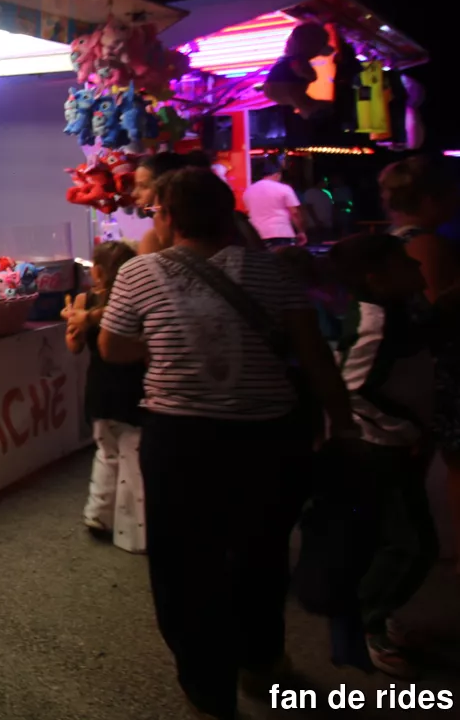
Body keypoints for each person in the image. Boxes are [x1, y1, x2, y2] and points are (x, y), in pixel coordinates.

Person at [98, 167, 358, 720]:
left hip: (180, 439)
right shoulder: (272, 267)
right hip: (268, 439)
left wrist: (167, 343)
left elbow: (113, 348)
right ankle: (260, 661)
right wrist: (344, 424)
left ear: (169, 217)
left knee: (183, 561)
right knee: (261, 552)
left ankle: (206, 684)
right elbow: (313, 354)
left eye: (156, 210)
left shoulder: (140, 272)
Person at [328, 232, 438, 676]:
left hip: (392, 445)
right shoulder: (375, 325)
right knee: (412, 545)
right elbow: (352, 388)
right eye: (404, 263)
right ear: (376, 277)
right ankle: (367, 623)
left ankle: (376, 614)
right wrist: (408, 425)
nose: (418, 267)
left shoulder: (397, 311)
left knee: (401, 540)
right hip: (379, 450)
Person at [378, 155, 460, 579]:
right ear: (431, 198)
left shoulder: (394, 240)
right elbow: (435, 310)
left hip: (410, 367)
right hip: (440, 366)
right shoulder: (427, 244)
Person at [65, 241, 144, 552]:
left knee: (105, 452)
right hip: (134, 388)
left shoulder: (85, 301)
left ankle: (98, 515)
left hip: (98, 387)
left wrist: (77, 321)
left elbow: (73, 346)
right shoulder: (134, 301)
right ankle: (135, 531)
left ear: (96, 271)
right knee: (134, 457)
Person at [132, 151, 262, 255]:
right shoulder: (235, 222)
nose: (134, 194)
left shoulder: (155, 240)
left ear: (168, 185)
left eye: (143, 186)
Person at [245, 159, 306, 249]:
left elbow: (248, 212)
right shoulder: (284, 188)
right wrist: (301, 231)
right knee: (282, 257)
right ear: (277, 175)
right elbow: (294, 213)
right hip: (282, 233)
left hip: (257, 235)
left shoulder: (249, 191)